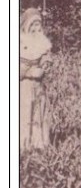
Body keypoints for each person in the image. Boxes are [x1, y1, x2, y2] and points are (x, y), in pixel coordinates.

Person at [19, 9, 52, 150]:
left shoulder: (42, 42)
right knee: (25, 112)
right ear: (26, 25)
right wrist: (30, 73)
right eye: (32, 25)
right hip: (24, 86)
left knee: (39, 112)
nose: (35, 29)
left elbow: (46, 59)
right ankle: (23, 145)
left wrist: (45, 65)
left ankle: (39, 144)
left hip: (39, 86)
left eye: (38, 25)